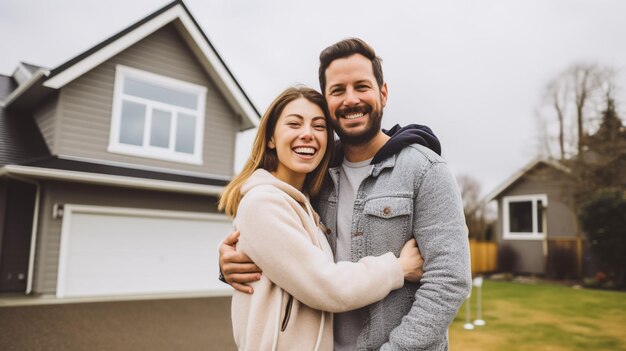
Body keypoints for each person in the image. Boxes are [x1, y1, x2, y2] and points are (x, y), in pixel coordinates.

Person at [220, 38, 472, 350]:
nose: (351, 99)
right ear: (327, 101)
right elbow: (295, 258)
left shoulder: (425, 169)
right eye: (338, 90)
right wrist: (233, 261)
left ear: (383, 92)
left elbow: (449, 282)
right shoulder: (316, 177)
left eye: (361, 86)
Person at [219, 86, 424, 351]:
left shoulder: (304, 203)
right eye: (294, 123)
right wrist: (398, 268)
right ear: (271, 138)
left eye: (318, 126)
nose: (307, 134)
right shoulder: (262, 202)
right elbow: (326, 285)